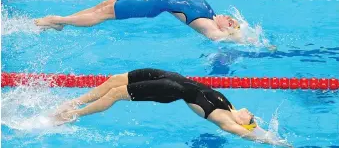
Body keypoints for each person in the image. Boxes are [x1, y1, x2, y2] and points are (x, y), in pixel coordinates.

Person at [52, 68, 291, 147]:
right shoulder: (231, 107)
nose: (252, 115)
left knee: (115, 94)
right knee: (115, 79)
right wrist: (261, 130)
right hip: (174, 77)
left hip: (171, 89)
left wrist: (275, 142)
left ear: (241, 123)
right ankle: (73, 102)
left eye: (251, 118)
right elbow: (254, 128)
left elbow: (250, 135)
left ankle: (72, 115)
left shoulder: (227, 121)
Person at [34, 0, 247, 43]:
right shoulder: (210, 12)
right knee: (102, 5)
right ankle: (63, 21)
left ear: (223, 29)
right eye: (232, 20)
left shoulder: (208, 25)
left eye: (231, 24)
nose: (231, 20)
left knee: (103, 15)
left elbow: (219, 39)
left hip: (151, 3)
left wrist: (234, 35)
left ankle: (57, 20)